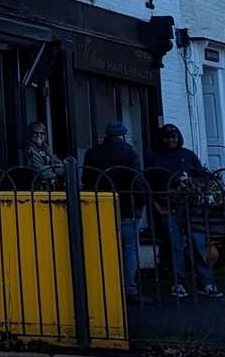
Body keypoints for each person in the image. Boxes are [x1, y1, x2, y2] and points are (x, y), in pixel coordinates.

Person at [147, 124, 222, 299]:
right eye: (167, 137)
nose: (171, 140)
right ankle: (178, 283)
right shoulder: (154, 156)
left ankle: (206, 282)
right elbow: (147, 183)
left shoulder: (188, 155)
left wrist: (196, 187)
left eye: (173, 137)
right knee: (175, 246)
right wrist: (156, 206)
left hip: (192, 208)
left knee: (198, 244)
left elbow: (202, 177)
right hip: (168, 207)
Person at [84, 121, 145, 299]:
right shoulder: (130, 153)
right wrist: (140, 202)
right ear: (123, 135)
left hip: (100, 207)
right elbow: (137, 181)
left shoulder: (93, 153)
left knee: (103, 246)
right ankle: (128, 288)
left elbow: (87, 179)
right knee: (129, 247)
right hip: (127, 206)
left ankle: (103, 284)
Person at [24, 122, 65, 188]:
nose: (39, 135)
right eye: (35, 133)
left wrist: (51, 168)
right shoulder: (29, 150)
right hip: (36, 188)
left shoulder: (46, 147)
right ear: (30, 134)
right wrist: (53, 169)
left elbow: (60, 165)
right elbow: (39, 171)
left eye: (41, 133)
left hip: (51, 186)